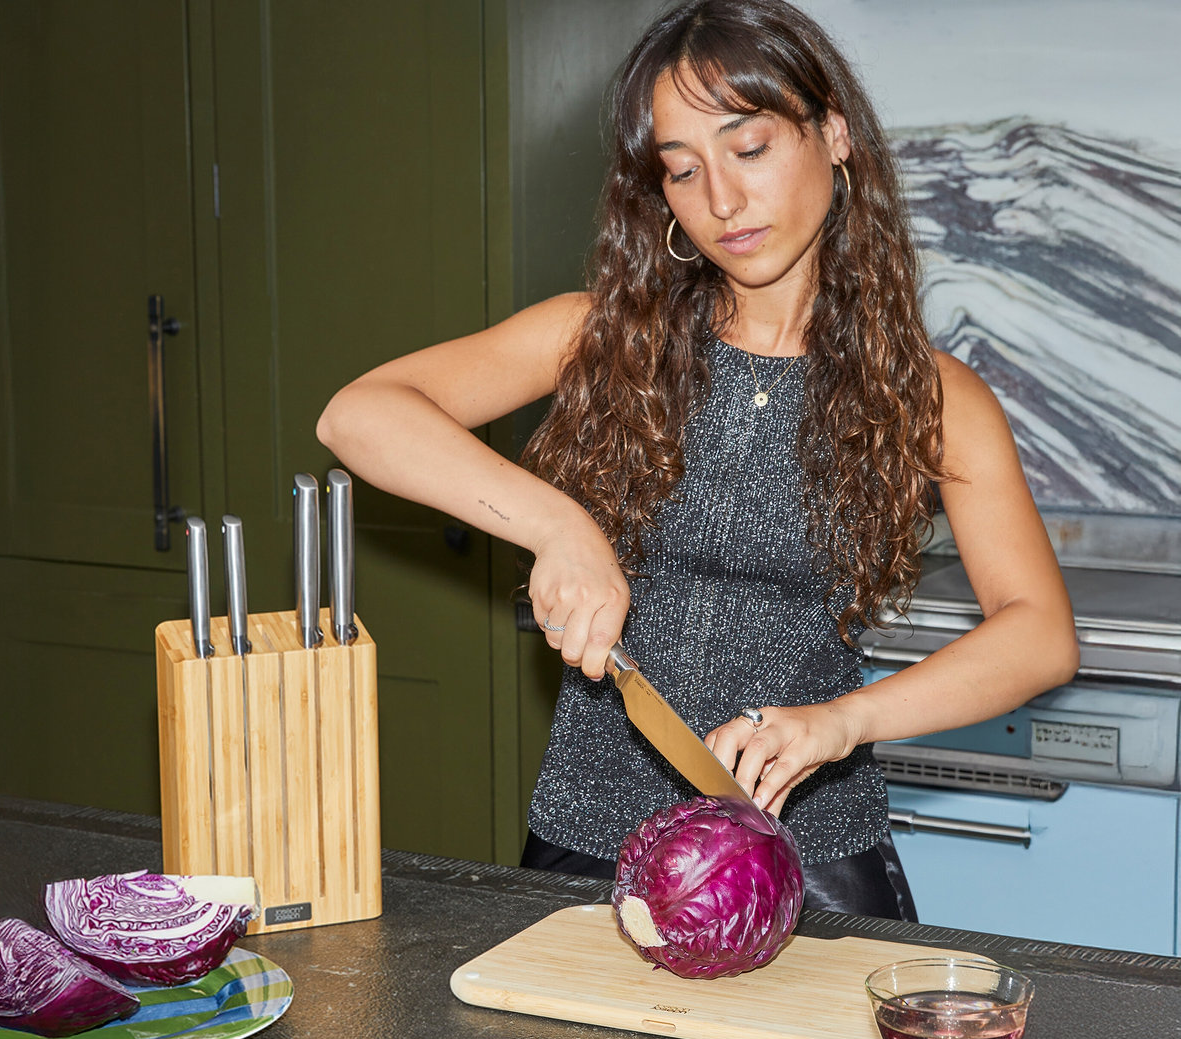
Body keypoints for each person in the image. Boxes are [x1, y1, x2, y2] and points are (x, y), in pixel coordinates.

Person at [317, 0, 1079, 919]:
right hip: (593, 849)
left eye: (747, 149)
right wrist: (561, 527)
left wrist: (843, 723)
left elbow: (1038, 632)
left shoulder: (934, 396)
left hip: (810, 859)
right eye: (682, 170)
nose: (719, 201)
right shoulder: (597, 336)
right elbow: (358, 415)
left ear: (832, 132)